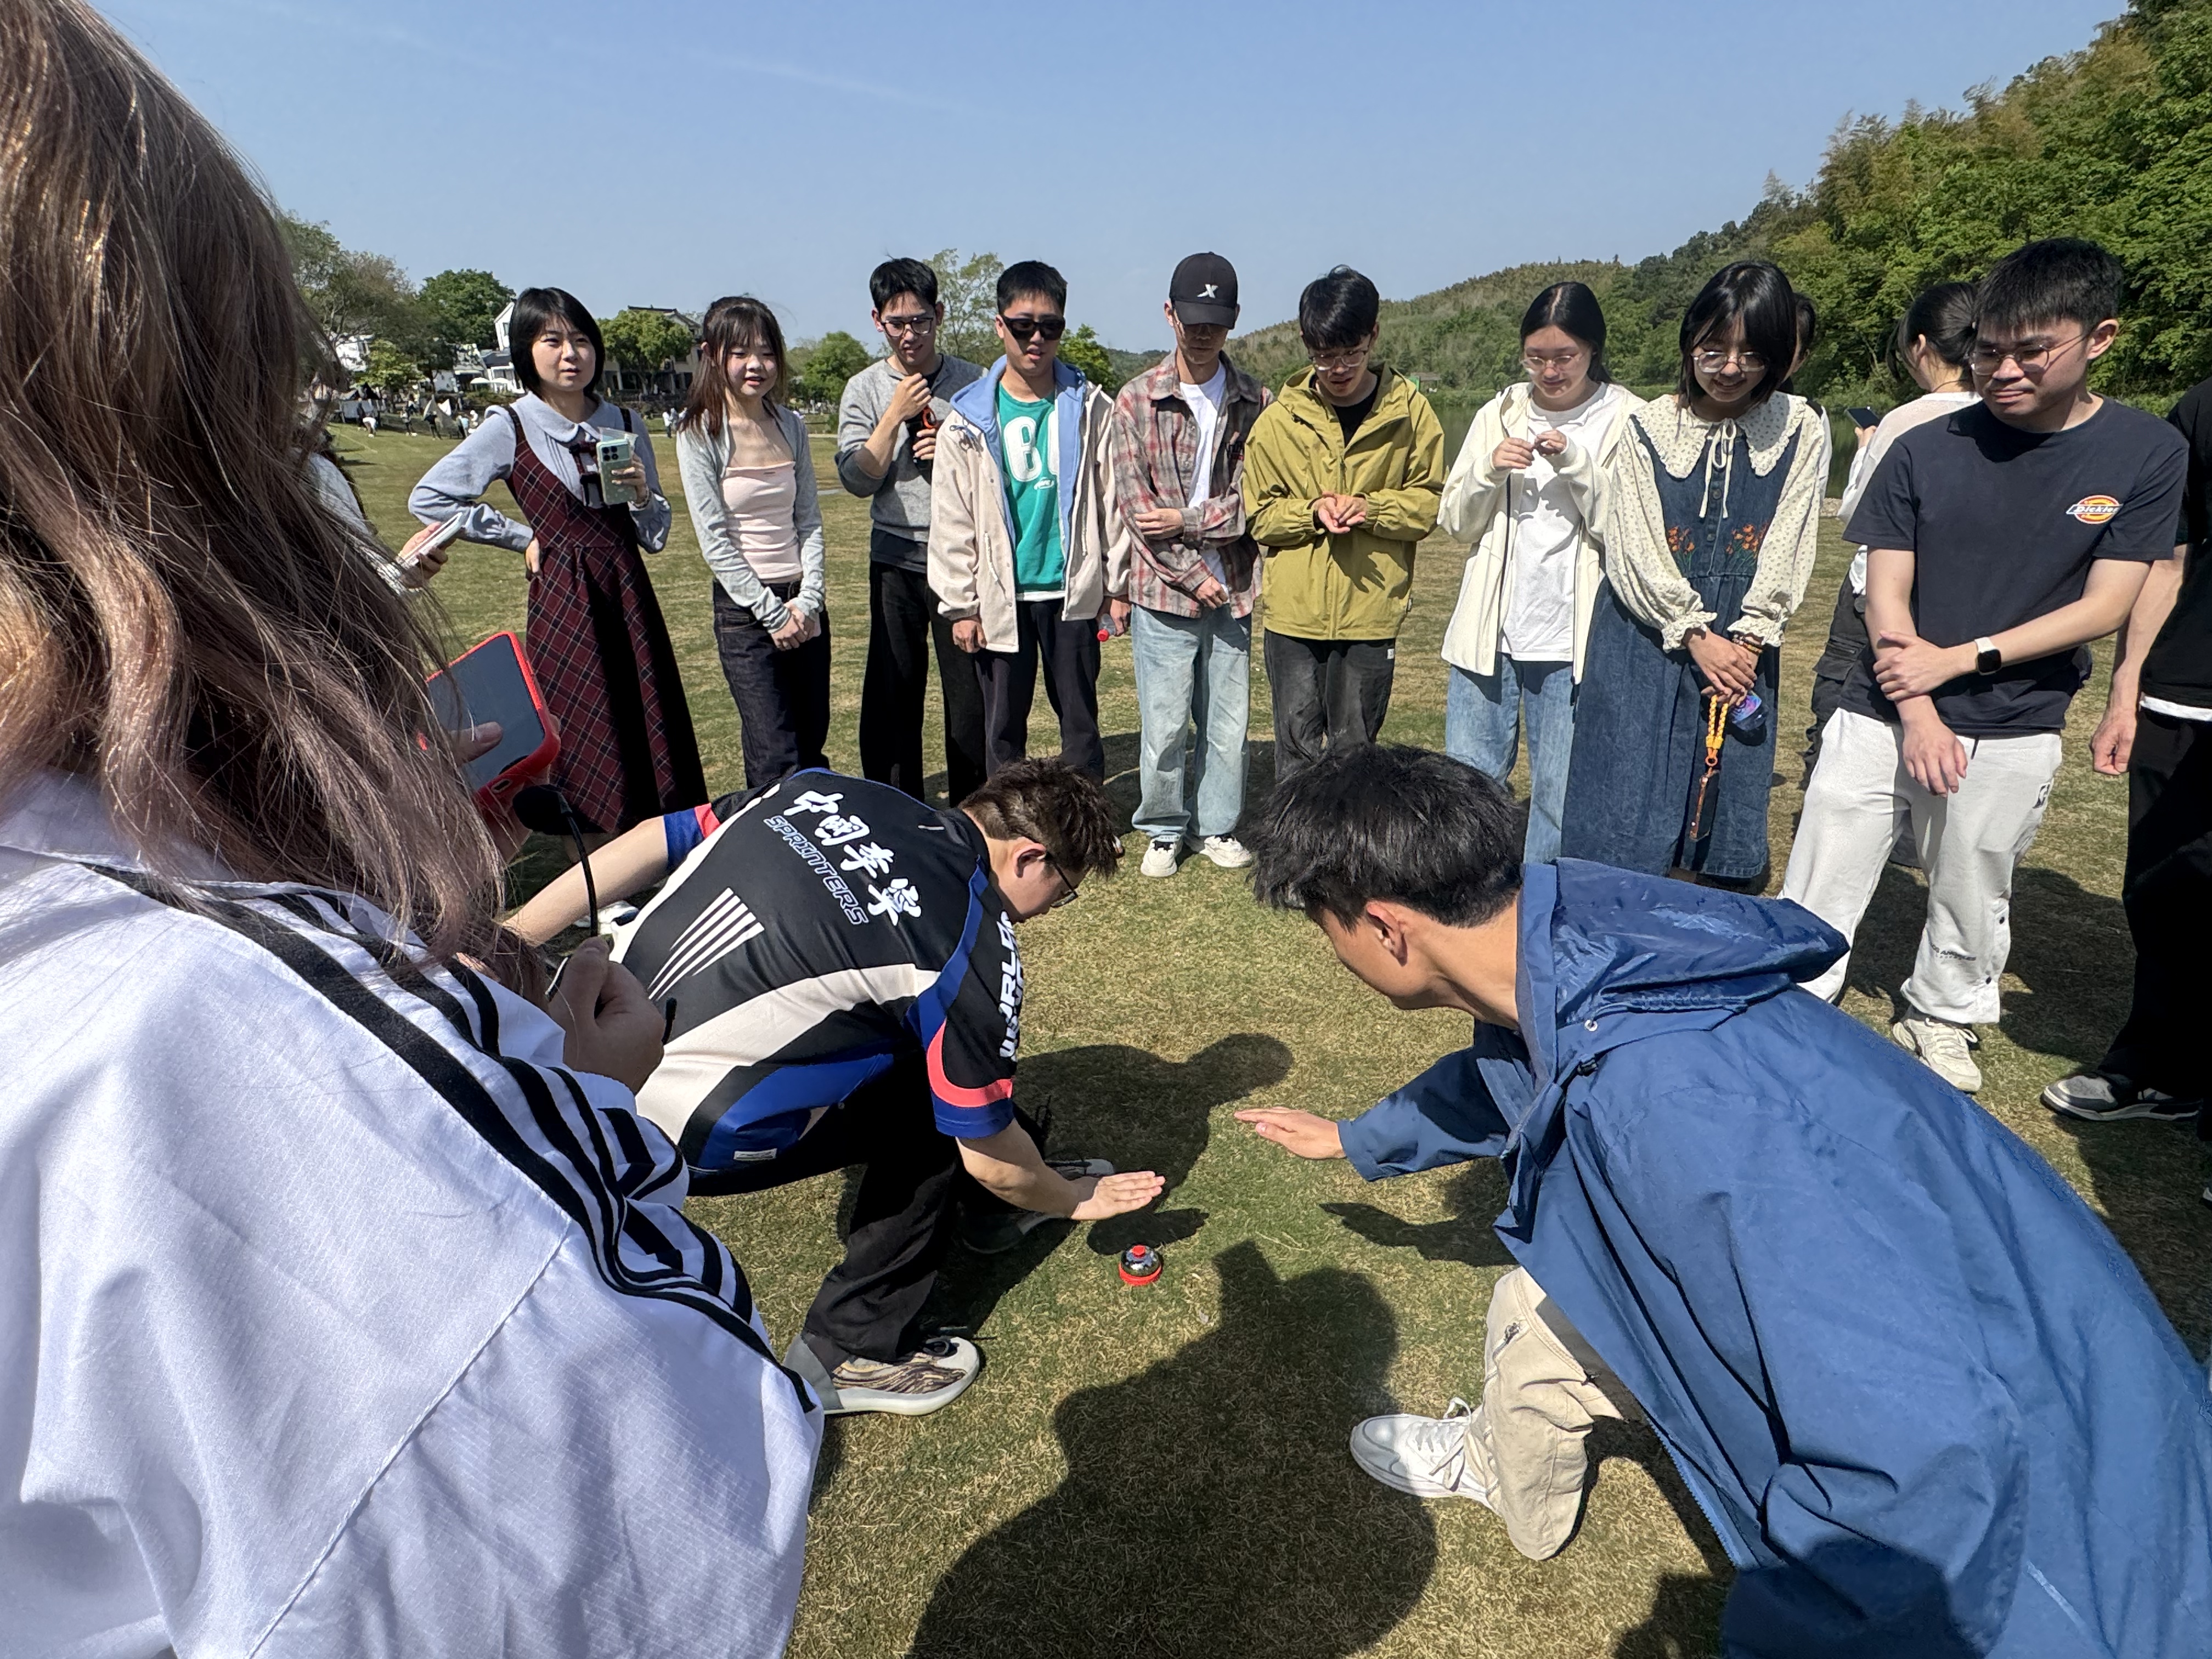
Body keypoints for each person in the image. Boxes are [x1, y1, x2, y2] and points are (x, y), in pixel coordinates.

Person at [0, 4, 821, 1652]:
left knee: (647, 765)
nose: (573, 358)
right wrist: (582, 1115)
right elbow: (657, 1529)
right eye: (280, 413)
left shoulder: (610, 437)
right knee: (595, 776)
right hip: (563, 614)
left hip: (622, 602)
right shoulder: (200, 1017)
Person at [1232, 746, 2212, 1656]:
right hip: (2049, 1361)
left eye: (1327, 927)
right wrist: (1358, 1139)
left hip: (2076, 1559)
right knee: (1529, 1314)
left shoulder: (1670, 1106)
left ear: (1387, 928)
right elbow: (1508, 1071)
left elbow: (1918, 1455)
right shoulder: (1578, 941)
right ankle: (1505, 1464)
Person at [508, 760, 1166, 1416]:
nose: (1048, 912)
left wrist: (508, 941)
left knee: (927, 1052)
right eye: (1062, 893)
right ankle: (849, 1350)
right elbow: (992, 1160)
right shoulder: (973, 943)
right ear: (1029, 857)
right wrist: (1069, 1197)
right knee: (944, 1114)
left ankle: (988, 1217)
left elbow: (653, 839)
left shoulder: (825, 789)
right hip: (664, 1130)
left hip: (572, 1044)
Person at [1780, 240, 2184, 1092]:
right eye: (1988, 350)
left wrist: (1962, 661)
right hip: (1881, 702)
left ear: (2100, 338)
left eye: (2031, 352)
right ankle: (1794, 995)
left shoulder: (2145, 451)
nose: (2002, 371)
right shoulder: (1926, 445)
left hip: (2016, 715)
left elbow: (2106, 604)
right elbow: (1885, 593)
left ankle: (1944, 1012)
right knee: (1826, 863)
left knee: (1976, 873)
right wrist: (1919, 708)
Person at [1558, 262, 1830, 884]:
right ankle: (1611, 920)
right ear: (1690, 342)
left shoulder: (1799, 427)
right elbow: (1633, 544)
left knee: (1716, 801)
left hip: (1741, 642)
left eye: (1751, 354)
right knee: (1627, 798)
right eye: (1714, 350)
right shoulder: (1649, 425)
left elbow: (1790, 539)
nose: (1730, 368)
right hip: (1645, 634)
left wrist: (1749, 640)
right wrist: (1694, 634)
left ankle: (1694, 920)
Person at [411, 286, 706, 838]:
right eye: (553, 341)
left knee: (646, 726)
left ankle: (663, 851)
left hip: (628, 593)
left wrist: (643, 495)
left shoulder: (624, 421)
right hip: (565, 599)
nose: (571, 354)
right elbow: (430, 497)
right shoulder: (512, 424)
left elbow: (656, 536)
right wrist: (520, 536)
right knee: (585, 736)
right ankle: (592, 857)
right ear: (526, 351)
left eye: (581, 340)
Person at [2041, 368, 2212, 1141]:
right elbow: (2167, 560)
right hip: (2185, 691)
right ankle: (2159, 1068)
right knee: (2164, 890)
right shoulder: (2202, 407)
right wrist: (2127, 689)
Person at [1436, 281, 1634, 861]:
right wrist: (1488, 469)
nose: (1550, 372)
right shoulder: (1500, 413)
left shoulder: (1627, 418)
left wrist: (1575, 463)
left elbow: (1626, 530)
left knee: (1559, 789)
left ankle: (1546, 891)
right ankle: (1469, 887)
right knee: (1469, 777)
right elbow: (1456, 523)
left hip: (1572, 637)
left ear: (1593, 349)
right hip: (1489, 631)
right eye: (1536, 358)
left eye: (1564, 357)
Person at [929, 261, 1135, 781]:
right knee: (1002, 731)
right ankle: (1007, 821)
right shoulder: (966, 421)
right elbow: (953, 519)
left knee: (1081, 726)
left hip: (1072, 592)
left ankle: (1084, 816)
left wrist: (1117, 585)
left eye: (1050, 326)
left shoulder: (1092, 408)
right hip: (1001, 596)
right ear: (1000, 326)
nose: (1036, 338)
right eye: (1023, 326)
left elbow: (1112, 500)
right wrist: (961, 606)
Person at [1243, 267, 1444, 778]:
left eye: (1351, 353)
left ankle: (1354, 836)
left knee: (1357, 757)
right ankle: (1296, 835)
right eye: (1324, 355)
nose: (1338, 369)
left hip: (1371, 613)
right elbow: (1260, 516)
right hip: (1294, 618)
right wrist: (1311, 513)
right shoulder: (1278, 421)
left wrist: (1372, 509)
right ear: (1306, 344)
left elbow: (1429, 504)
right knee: (1296, 756)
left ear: (1373, 335)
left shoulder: (1411, 415)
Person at [1113, 252, 1271, 878]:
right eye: (1192, 320)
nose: (1203, 333)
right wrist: (1193, 571)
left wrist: (1186, 520)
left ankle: (1217, 825)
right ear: (1169, 314)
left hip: (1235, 587)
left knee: (1228, 724)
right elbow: (1137, 511)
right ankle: (1162, 827)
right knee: (1165, 723)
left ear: (1233, 320)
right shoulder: (1136, 400)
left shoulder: (1257, 400)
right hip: (1163, 591)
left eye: (1216, 322)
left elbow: (1255, 502)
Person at [1803, 282, 1979, 779]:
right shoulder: (2005, 414)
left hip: (1879, 589)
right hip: (1961, 595)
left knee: (1844, 691)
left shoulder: (1906, 421)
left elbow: (1858, 511)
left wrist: (1866, 448)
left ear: (1920, 346)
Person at [838, 257, 989, 804]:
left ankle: (972, 810)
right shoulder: (864, 388)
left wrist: (955, 441)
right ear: (877, 321)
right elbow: (857, 480)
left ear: (939, 315)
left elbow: (998, 472)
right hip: (895, 558)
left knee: (969, 697)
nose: (909, 334)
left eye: (920, 321)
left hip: (961, 559)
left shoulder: (975, 382)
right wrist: (893, 414)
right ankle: (895, 807)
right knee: (893, 693)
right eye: (896, 323)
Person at [674, 295, 830, 787]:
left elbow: (809, 520)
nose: (756, 365)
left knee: (811, 743)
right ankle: (769, 835)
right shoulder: (699, 433)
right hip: (747, 614)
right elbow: (715, 541)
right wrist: (772, 613)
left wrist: (809, 599)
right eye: (740, 353)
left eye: (766, 352)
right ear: (711, 355)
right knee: (774, 753)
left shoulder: (790, 425)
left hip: (803, 605)